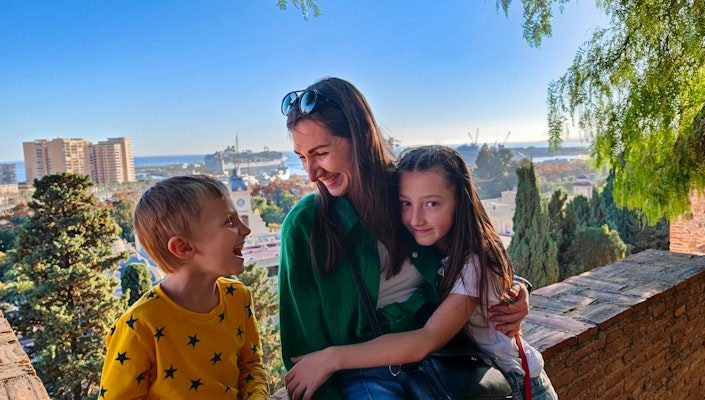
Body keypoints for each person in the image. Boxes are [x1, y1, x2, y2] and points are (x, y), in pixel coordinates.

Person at [279, 77, 531, 399]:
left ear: (361, 137)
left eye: (321, 153)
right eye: (301, 157)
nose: (311, 173)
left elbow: (468, 246)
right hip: (361, 375)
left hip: (444, 359)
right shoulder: (305, 226)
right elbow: (305, 354)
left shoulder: (410, 193)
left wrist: (513, 288)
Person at [98, 175, 268, 399]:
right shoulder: (140, 326)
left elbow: (250, 365)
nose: (245, 230)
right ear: (183, 247)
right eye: (229, 221)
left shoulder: (238, 297)